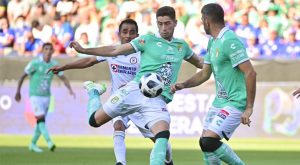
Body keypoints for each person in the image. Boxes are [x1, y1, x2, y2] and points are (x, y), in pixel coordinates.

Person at [50, 6, 203, 165]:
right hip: (131, 92)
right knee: (95, 122)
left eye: (167, 23)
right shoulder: (147, 40)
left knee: (163, 136)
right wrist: (84, 50)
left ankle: (166, 162)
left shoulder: (181, 46)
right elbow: (115, 50)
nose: (164, 28)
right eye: (160, 24)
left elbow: (201, 63)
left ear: (175, 23)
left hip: (156, 99)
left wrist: (219, 62)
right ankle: (94, 93)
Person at [171, 3, 256, 165]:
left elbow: (250, 72)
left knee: (208, 142)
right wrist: (184, 84)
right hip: (220, 102)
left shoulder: (229, 41)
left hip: (236, 101)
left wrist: (249, 107)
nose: (202, 23)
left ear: (207, 21)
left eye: (202, 19)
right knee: (205, 144)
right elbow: (204, 74)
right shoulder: (212, 42)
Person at [15, 42, 75, 153]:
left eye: (50, 49)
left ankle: (32, 144)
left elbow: (63, 77)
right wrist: (18, 91)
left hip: (47, 97)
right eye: (46, 49)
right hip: (35, 96)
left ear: (53, 51)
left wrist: (70, 89)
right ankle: (49, 142)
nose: (48, 51)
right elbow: (23, 76)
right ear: (42, 50)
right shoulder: (35, 63)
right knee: (41, 119)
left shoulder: (54, 64)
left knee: (40, 122)